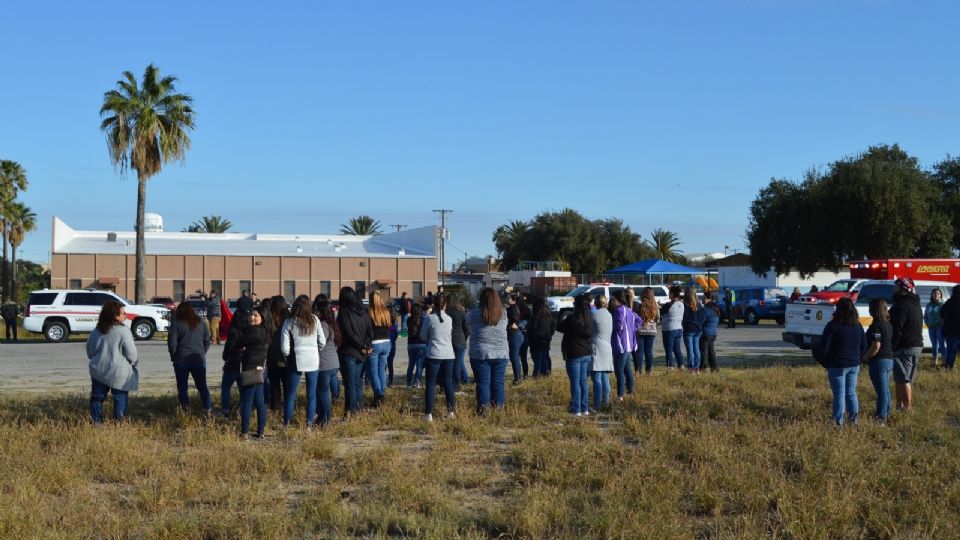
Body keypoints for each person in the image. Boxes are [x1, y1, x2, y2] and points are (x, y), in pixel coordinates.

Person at [86, 301, 138, 424]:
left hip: (99, 370)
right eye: (123, 313)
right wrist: (133, 362)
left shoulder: (96, 331)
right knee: (120, 398)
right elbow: (132, 354)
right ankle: (119, 423)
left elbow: (89, 351)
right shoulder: (123, 331)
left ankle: (96, 423)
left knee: (97, 399)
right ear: (115, 315)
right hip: (119, 371)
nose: (125, 315)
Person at [817, 297, 866, 425]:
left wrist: (826, 362)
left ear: (837, 310)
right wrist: (858, 358)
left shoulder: (833, 326)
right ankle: (853, 420)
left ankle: (838, 421)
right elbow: (864, 345)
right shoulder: (857, 325)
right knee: (851, 393)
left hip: (837, 364)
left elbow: (824, 347)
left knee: (839, 394)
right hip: (854, 363)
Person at [280, 295, 325, 426]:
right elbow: (321, 341)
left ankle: (287, 423)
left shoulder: (289, 322)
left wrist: (287, 355)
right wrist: (316, 350)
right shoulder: (315, 320)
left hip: (296, 359)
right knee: (311, 395)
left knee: (290, 395)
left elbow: (284, 346)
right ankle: (309, 424)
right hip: (312, 359)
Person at [467, 288, 509, 415]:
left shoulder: (473, 314)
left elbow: (468, 324)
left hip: (480, 353)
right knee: (498, 382)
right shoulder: (503, 313)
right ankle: (498, 409)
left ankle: (483, 411)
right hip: (501, 352)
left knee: (483, 383)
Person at [167, 301, 212, 413]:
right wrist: (202, 352)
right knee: (202, 385)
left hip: (181, 359)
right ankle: (208, 408)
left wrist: (174, 356)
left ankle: (185, 410)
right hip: (198, 358)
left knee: (182, 387)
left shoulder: (176, 323)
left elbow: (172, 343)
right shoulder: (200, 322)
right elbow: (207, 340)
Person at [337, 287, 373, 416]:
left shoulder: (344, 313)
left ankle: (350, 410)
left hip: (349, 351)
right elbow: (370, 331)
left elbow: (350, 334)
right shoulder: (364, 312)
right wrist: (367, 346)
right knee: (357, 382)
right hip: (361, 353)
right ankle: (358, 407)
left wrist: (362, 346)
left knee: (350, 383)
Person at [421, 294, 456, 421]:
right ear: (445, 305)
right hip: (448, 354)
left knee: (430, 384)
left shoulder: (429, 319)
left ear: (433, 305)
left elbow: (423, 336)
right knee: (448, 383)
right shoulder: (450, 319)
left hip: (433, 353)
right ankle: (451, 411)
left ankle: (428, 414)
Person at [889, 277, 923, 411]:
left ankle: (907, 407)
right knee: (901, 378)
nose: (893, 289)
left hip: (904, 346)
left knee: (904, 379)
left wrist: (892, 346)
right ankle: (899, 405)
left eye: (896, 287)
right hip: (917, 344)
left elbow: (897, 329)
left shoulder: (901, 306)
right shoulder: (916, 304)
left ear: (903, 289)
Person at [558, 294, 593, 417]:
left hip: (574, 353)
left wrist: (562, 313)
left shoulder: (572, 318)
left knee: (575, 382)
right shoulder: (589, 318)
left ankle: (576, 408)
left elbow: (559, 327)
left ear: (576, 305)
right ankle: (585, 408)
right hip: (586, 352)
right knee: (583, 381)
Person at [237, 308, 269, 438]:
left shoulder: (252, 331)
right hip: (261, 369)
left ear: (262, 317)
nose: (252, 318)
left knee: (247, 401)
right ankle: (261, 431)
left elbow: (238, 343)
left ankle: (244, 431)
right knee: (260, 401)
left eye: (256, 315)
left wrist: (243, 347)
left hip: (250, 369)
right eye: (251, 315)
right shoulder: (266, 331)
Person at [863, 298, 894, 422]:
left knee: (881, 391)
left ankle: (881, 417)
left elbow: (876, 346)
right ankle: (886, 412)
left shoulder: (876, 325)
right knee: (885, 389)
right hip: (889, 359)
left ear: (873, 310)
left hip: (879, 360)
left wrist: (865, 357)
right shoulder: (888, 324)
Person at [315, 300, 341, 426]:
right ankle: (322, 417)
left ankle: (326, 419)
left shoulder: (323, 325)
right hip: (333, 362)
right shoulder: (332, 324)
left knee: (323, 393)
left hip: (324, 364)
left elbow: (321, 343)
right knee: (324, 392)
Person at [610, 290, 640, 399]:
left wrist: (610, 328)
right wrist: (632, 330)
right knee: (627, 370)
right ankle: (630, 391)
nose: (611, 302)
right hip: (629, 345)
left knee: (619, 371)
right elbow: (639, 320)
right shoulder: (629, 310)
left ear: (618, 300)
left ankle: (620, 395)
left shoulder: (619, 310)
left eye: (613, 299)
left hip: (621, 345)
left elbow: (619, 326)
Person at [365, 290, 392, 407]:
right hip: (386, 341)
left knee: (373, 371)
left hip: (375, 342)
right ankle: (382, 391)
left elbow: (368, 329)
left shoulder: (370, 312)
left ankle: (378, 394)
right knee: (382, 369)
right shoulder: (386, 311)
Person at [220, 311, 249, 416]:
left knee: (226, 388)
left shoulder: (233, 332)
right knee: (243, 389)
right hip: (245, 363)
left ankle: (225, 409)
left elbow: (229, 347)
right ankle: (242, 408)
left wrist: (225, 356)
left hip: (232, 363)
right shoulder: (249, 331)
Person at [265, 296, 289, 410]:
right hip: (286, 357)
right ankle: (288, 407)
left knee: (275, 385)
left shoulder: (269, 318)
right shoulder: (288, 318)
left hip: (272, 356)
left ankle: (276, 406)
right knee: (287, 384)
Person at [591, 295, 614, 410]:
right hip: (607, 348)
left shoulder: (594, 314)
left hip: (597, 347)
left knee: (597, 377)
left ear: (596, 303)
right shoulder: (609, 314)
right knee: (605, 377)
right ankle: (607, 401)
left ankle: (597, 404)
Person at [527, 297, 556, 377]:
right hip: (546, 339)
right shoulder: (549, 315)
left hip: (536, 340)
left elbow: (532, 328)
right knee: (545, 356)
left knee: (538, 358)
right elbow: (553, 326)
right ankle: (546, 371)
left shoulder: (535, 316)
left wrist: (530, 337)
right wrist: (550, 334)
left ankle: (537, 373)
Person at [447, 293, 470, 391]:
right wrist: (464, 338)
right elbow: (467, 328)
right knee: (459, 362)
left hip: (449, 339)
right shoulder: (462, 312)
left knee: (452, 363)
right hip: (460, 339)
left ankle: (455, 381)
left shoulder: (447, 313)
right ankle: (461, 380)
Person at [682, 286, 706, 373]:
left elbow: (684, 318)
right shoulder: (699, 305)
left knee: (690, 350)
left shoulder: (686, 305)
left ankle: (691, 368)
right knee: (696, 349)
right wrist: (699, 323)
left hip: (689, 329)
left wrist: (683, 324)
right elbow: (704, 316)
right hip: (698, 329)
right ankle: (697, 368)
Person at [661, 286, 685, 369]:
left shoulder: (668, 305)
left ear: (672, 294)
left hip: (669, 329)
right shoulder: (681, 304)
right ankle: (681, 365)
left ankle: (670, 366)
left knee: (669, 350)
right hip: (679, 328)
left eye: (669, 293)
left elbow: (661, 313)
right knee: (677, 349)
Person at [637, 288, 659, 374]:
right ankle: (649, 370)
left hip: (641, 330)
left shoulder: (640, 306)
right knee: (649, 351)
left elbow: (637, 319)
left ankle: (638, 370)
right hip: (652, 331)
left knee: (640, 351)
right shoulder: (655, 306)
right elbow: (658, 319)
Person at [406, 304, 428, 388]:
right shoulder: (424, 319)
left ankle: (408, 383)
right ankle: (417, 382)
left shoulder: (408, 320)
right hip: (422, 344)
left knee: (411, 364)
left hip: (411, 344)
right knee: (419, 365)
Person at [923, 288, 946, 368]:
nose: (936, 295)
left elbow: (945, 317)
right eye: (934, 293)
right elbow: (925, 316)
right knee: (934, 345)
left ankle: (944, 362)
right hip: (931, 328)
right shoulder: (929, 304)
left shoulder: (943, 305)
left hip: (939, 327)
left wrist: (942, 323)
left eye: (938, 293)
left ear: (940, 295)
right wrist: (927, 323)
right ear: (932, 295)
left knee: (942, 345)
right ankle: (935, 362)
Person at [700, 291, 721, 372]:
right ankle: (714, 367)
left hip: (705, 333)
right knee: (711, 351)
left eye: (704, 297)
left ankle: (704, 367)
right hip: (713, 333)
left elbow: (701, 321)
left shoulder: (705, 310)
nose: (702, 299)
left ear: (709, 299)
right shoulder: (715, 309)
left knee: (703, 351)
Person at [506, 293, 524, 385]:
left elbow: (514, 321)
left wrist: (510, 325)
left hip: (514, 335)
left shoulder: (512, 309)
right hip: (517, 335)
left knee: (514, 357)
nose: (507, 298)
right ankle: (518, 376)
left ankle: (517, 378)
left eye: (509, 298)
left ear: (514, 300)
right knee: (515, 357)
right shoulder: (516, 308)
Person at [941, 284, 960, 370]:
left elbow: (941, 313)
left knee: (950, 351)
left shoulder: (949, 302)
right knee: (952, 352)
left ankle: (948, 367)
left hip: (949, 330)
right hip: (956, 330)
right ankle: (949, 368)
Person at [518, 298, 531, 379]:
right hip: (526, 337)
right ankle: (525, 374)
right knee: (524, 357)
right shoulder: (529, 313)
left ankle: (518, 375)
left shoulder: (517, 313)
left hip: (518, 336)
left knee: (516, 358)